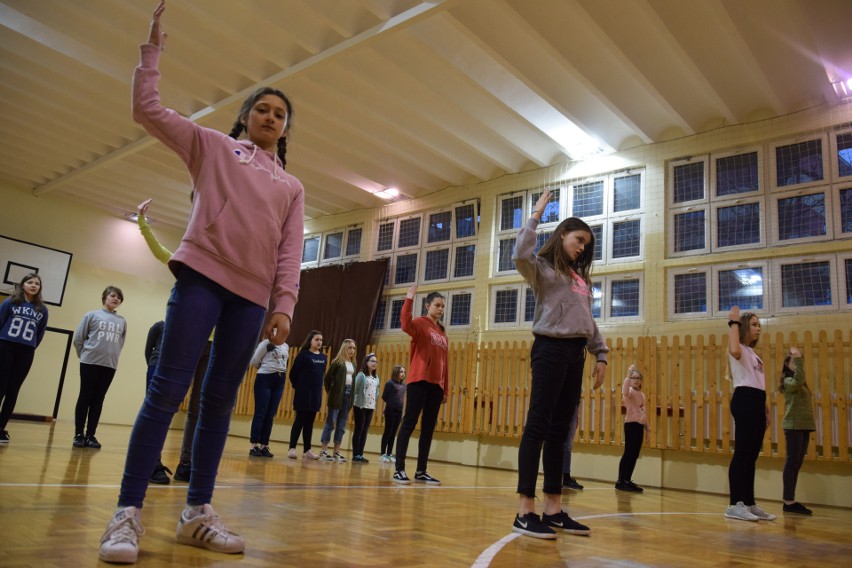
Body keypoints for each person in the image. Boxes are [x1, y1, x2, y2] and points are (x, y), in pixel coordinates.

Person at [98, 1, 304, 563]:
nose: (270, 117)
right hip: (201, 280)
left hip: (250, 299)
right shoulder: (212, 145)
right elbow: (148, 109)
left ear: (285, 129)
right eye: (261, 109)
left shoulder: (291, 187)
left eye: (279, 114)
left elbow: (290, 252)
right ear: (245, 116)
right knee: (167, 390)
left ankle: (197, 512)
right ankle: (127, 513)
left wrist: (283, 304)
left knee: (217, 403)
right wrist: (153, 49)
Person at [511, 188, 607, 539]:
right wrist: (535, 214)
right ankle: (525, 510)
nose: (582, 247)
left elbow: (588, 321)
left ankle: (553, 508)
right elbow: (520, 252)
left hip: (575, 354)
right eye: (578, 239)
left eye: (586, 244)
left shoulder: (581, 281)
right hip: (549, 349)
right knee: (538, 425)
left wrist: (601, 354)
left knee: (560, 432)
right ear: (563, 234)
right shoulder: (544, 270)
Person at [136, 198, 211, 484]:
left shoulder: (223, 272)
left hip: (210, 345)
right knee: (166, 401)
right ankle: (151, 462)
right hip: (186, 340)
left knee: (198, 408)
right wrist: (143, 223)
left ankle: (186, 464)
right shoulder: (186, 265)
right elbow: (161, 252)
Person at [723, 306, 776, 522]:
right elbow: (734, 350)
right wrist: (733, 322)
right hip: (744, 400)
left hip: (756, 401)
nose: (758, 329)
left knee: (752, 456)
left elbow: (759, 383)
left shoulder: (753, 353)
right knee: (743, 453)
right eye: (754, 325)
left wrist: (766, 409)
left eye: (759, 325)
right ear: (744, 327)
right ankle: (735, 504)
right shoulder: (737, 348)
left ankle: (749, 502)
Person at [392, 286, 448, 486]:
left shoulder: (442, 332)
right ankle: (399, 469)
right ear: (428, 306)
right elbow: (405, 324)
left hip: (436, 386)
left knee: (428, 428)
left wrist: (445, 388)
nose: (441, 309)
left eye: (443, 306)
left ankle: (421, 471)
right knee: (409, 423)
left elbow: (445, 363)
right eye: (437, 305)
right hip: (419, 381)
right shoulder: (420, 324)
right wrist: (408, 300)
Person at [72, 286, 127, 449]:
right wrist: (84, 355)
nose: (116, 299)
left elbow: (120, 343)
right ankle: (79, 434)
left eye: (119, 297)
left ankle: (91, 435)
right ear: (104, 297)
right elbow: (78, 339)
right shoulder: (91, 315)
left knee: (98, 399)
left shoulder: (122, 321)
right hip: (89, 362)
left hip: (109, 365)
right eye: (113, 296)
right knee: (85, 397)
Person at [0, 273, 49, 444]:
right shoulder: (10, 302)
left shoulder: (42, 309)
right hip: (5, 347)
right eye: (30, 282)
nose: (34, 285)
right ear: (23, 285)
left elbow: (40, 333)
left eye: (37, 283)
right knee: (1, 387)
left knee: (13, 390)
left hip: (26, 351)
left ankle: (1, 428)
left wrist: (30, 346)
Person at [780, 346, 815, 515]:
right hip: (793, 426)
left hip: (804, 426)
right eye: (794, 361)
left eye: (799, 361)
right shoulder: (788, 381)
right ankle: (788, 500)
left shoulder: (800, 384)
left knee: (797, 463)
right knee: (791, 463)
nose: (797, 364)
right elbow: (799, 379)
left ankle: (790, 500)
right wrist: (798, 359)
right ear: (787, 364)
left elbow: (801, 379)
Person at [287, 330, 325, 460]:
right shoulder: (303, 356)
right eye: (317, 339)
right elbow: (293, 374)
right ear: (310, 340)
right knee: (299, 421)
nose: (319, 342)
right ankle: (292, 448)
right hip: (303, 394)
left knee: (310, 423)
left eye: (321, 340)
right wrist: (299, 387)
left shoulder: (323, 357)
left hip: (315, 395)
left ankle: (307, 450)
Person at [249, 339, 289, 458]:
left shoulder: (285, 345)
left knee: (270, 414)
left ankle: (264, 445)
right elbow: (254, 362)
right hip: (265, 378)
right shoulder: (266, 343)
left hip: (280, 379)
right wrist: (266, 368)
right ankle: (254, 445)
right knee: (260, 412)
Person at [318, 339, 357, 463]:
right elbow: (327, 379)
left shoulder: (354, 364)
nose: (352, 350)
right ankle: (324, 450)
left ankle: (336, 452)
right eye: (350, 347)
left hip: (348, 395)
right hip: (337, 395)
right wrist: (332, 392)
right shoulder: (337, 362)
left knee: (341, 425)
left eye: (354, 348)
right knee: (331, 423)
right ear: (345, 348)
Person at [143, 320, 171, 484]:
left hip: (174, 371)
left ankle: (152, 460)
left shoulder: (189, 328)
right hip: (156, 367)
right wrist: (155, 366)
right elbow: (148, 351)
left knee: (164, 417)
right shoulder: (159, 326)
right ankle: (151, 462)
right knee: (153, 414)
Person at [615, 365, 650, 493]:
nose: (636, 380)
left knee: (635, 454)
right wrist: (628, 374)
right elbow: (624, 391)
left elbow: (643, 412)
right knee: (629, 453)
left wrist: (648, 429)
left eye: (638, 378)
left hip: (639, 426)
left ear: (641, 380)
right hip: (630, 425)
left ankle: (627, 480)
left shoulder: (641, 394)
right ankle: (621, 481)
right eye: (633, 378)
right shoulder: (629, 392)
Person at [351, 353, 380, 463]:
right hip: (360, 406)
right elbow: (355, 391)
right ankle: (355, 454)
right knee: (359, 429)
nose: (374, 363)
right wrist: (355, 403)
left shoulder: (376, 378)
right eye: (372, 361)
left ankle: (360, 454)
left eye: (376, 361)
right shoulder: (361, 375)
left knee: (365, 431)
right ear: (366, 362)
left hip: (370, 407)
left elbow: (376, 392)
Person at [379, 365, 406, 463]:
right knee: (388, 431)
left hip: (399, 411)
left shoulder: (404, 385)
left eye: (404, 372)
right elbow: (384, 396)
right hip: (390, 410)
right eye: (401, 372)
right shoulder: (390, 383)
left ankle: (389, 453)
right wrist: (391, 404)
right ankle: (382, 453)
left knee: (394, 432)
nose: (403, 374)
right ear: (396, 372)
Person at [561, 403, 582, 490]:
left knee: (568, 445)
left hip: (574, 406)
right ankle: (552, 477)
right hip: (562, 405)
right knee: (557, 443)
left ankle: (566, 477)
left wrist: (576, 415)